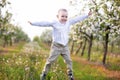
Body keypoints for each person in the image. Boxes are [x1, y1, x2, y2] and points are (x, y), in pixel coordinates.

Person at [28, 8, 92, 80]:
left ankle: (70, 74)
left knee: (69, 61)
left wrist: (87, 15)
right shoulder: (54, 23)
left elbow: (77, 19)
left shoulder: (69, 22)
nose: (64, 18)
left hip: (65, 46)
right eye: (62, 16)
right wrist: (33, 23)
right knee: (50, 61)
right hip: (56, 46)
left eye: (66, 16)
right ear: (57, 16)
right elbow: (44, 23)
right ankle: (44, 74)